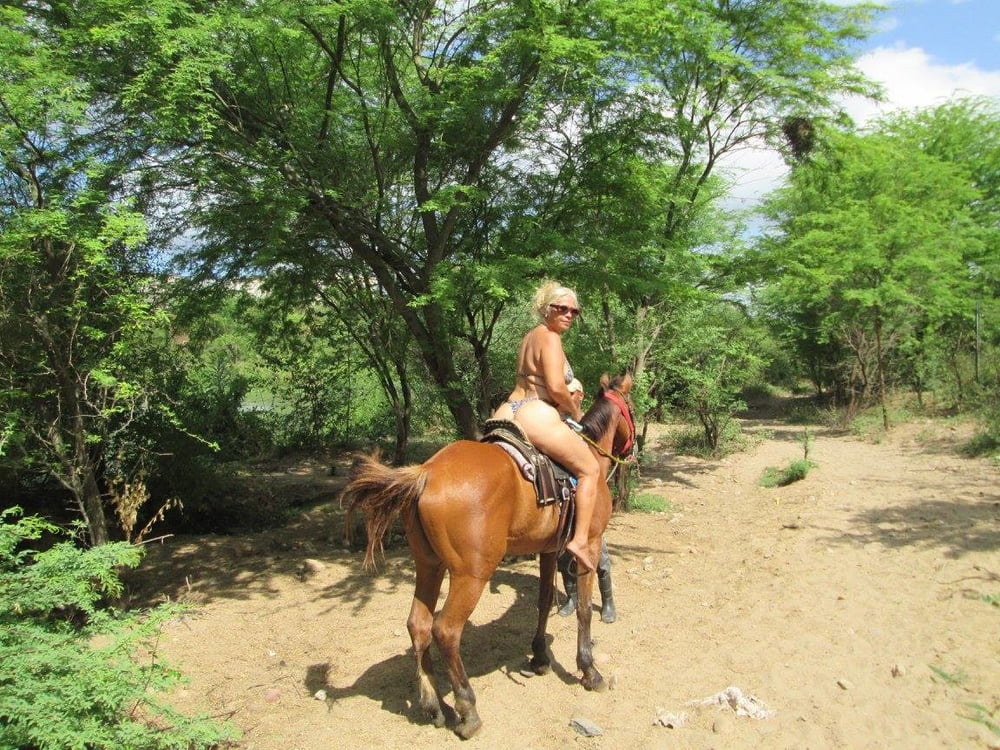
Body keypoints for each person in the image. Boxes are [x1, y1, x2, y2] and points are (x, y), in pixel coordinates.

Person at [492, 281, 600, 573]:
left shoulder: (529, 337)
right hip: (536, 412)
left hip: (507, 410)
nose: (568, 315)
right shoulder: (551, 338)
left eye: (574, 311)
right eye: (561, 308)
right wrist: (574, 409)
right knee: (590, 470)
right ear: (546, 309)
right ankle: (578, 540)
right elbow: (553, 387)